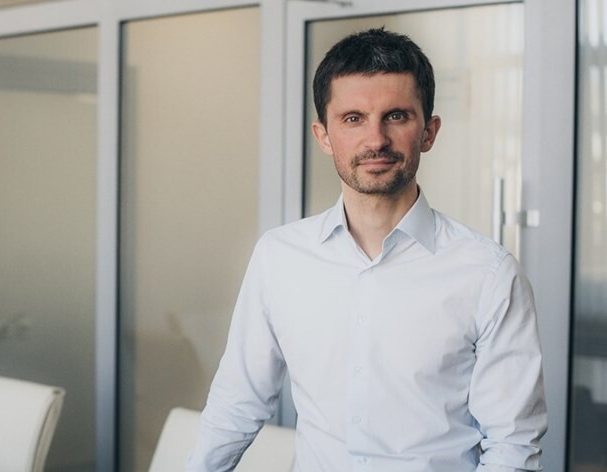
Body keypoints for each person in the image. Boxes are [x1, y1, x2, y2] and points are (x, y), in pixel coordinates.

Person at [187, 27, 547, 471]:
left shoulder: (488, 274)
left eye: (396, 116)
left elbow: (513, 444)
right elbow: (236, 405)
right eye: (353, 118)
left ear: (429, 131)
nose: (375, 140)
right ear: (323, 136)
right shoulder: (279, 258)